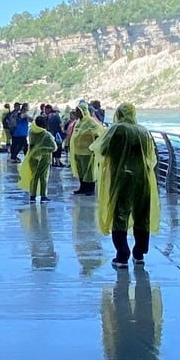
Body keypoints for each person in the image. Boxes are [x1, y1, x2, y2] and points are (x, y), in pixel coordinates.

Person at [91, 102, 160, 266]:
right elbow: (151, 156)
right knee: (142, 215)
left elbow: (103, 149)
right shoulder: (143, 131)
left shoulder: (117, 129)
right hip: (142, 178)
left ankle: (122, 254)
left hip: (121, 178)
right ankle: (139, 252)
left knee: (120, 214)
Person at [18, 114, 57, 202]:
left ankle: (32, 195)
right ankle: (43, 196)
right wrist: (43, 150)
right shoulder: (46, 135)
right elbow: (54, 147)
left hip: (32, 157)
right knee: (43, 177)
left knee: (34, 177)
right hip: (44, 158)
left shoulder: (31, 132)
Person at [69, 101, 104, 195]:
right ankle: (82, 187)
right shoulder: (78, 122)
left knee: (89, 171)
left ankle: (90, 189)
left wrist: (95, 146)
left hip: (88, 152)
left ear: (83, 111)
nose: (76, 113)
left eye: (78, 111)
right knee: (81, 170)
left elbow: (99, 131)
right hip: (78, 151)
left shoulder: (91, 121)